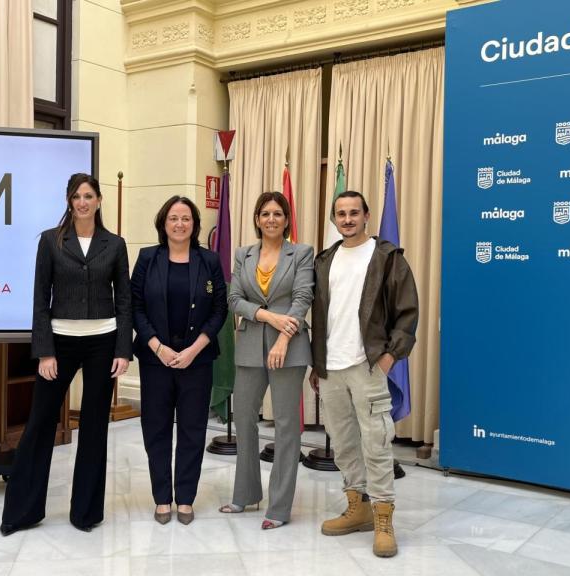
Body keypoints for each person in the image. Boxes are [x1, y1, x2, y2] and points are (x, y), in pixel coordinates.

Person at [0, 173, 132, 536]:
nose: (82, 202)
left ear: (99, 201)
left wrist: (123, 349)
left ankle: (85, 513)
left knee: (93, 428)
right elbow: (40, 299)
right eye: (76, 196)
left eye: (89, 196)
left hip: (103, 344)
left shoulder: (115, 244)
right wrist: (44, 352)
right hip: (59, 343)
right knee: (40, 424)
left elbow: (124, 300)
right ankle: (21, 513)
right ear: (69, 201)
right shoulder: (50, 241)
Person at [309, 190, 418, 558]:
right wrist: (316, 363)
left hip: (368, 365)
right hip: (331, 367)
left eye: (354, 213)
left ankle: (383, 516)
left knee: (376, 442)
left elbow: (407, 313)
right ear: (334, 219)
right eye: (341, 213)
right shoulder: (325, 260)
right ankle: (357, 508)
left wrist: (389, 358)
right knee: (343, 444)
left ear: (367, 216)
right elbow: (321, 316)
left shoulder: (387, 257)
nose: (348, 219)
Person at [131, 196, 228, 525]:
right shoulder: (147, 259)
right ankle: (162, 498)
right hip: (155, 359)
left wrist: (194, 349)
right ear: (163, 222)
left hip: (196, 361)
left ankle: (185, 498)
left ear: (194, 224)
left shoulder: (209, 261)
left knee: (192, 429)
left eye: (186, 218)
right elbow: (136, 308)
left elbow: (219, 310)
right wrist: (158, 347)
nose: (179, 224)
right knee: (156, 429)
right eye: (173, 218)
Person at [221, 192, 314, 530]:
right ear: (257, 219)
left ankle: (278, 506)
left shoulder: (301, 252)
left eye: (278, 213)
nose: (271, 219)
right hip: (248, 347)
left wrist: (283, 336)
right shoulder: (243, 254)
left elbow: (303, 297)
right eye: (265, 214)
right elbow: (234, 298)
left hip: (290, 348)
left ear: (287, 219)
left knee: (287, 427)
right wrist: (266, 316)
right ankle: (245, 494)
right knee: (243, 419)